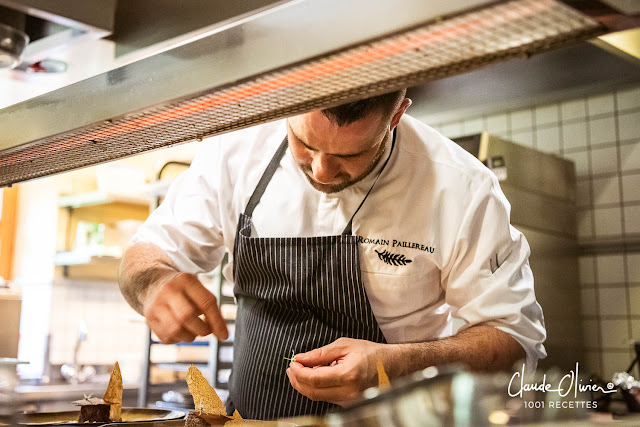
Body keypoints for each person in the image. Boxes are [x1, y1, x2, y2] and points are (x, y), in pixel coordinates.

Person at [119, 89, 546, 420]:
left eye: (350, 155)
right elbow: (143, 255)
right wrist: (153, 283)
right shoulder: (235, 153)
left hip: (395, 421)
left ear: (396, 116)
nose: (321, 171)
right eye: (302, 144)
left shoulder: (461, 187)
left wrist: (398, 365)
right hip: (251, 421)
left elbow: (513, 337)